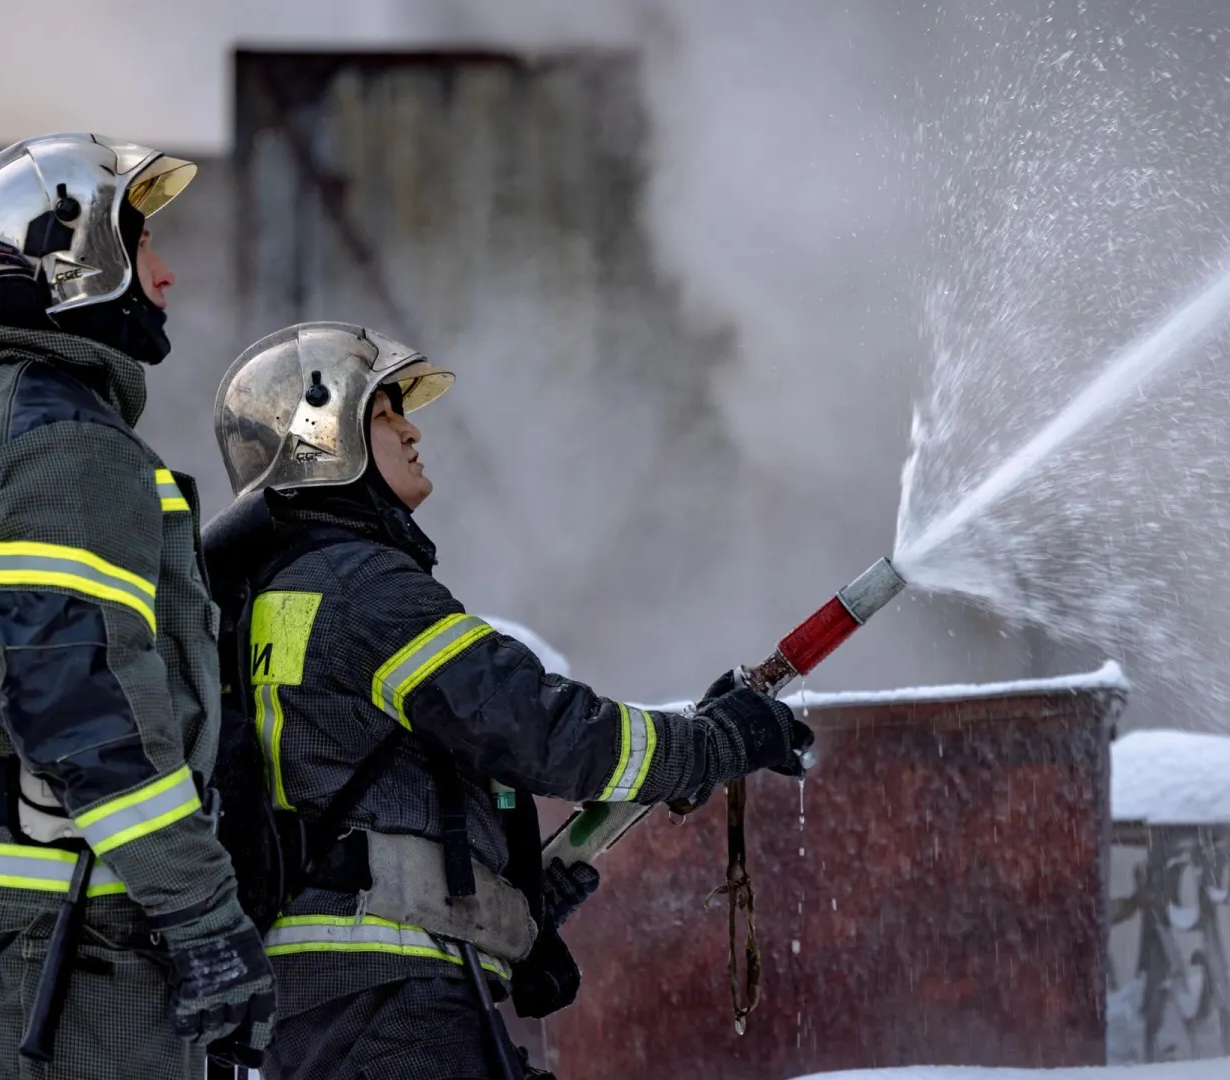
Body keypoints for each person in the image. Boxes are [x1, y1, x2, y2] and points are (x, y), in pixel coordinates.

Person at [203, 322, 813, 1080]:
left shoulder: (272, 597)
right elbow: (539, 730)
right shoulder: (360, 586)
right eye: (386, 411)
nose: (411, 427)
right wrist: (715, 745)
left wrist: (508, 899)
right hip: (393, 1007)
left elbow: (361, 797)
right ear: (324, 435)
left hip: (326, 1006)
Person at [0, 132, 273, 1080]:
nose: (167, 276)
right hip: (75, 923)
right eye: (144, 247)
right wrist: (200, 909)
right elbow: (82, 702)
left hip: (3, 907)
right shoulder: (70, 444)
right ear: (76, 260)